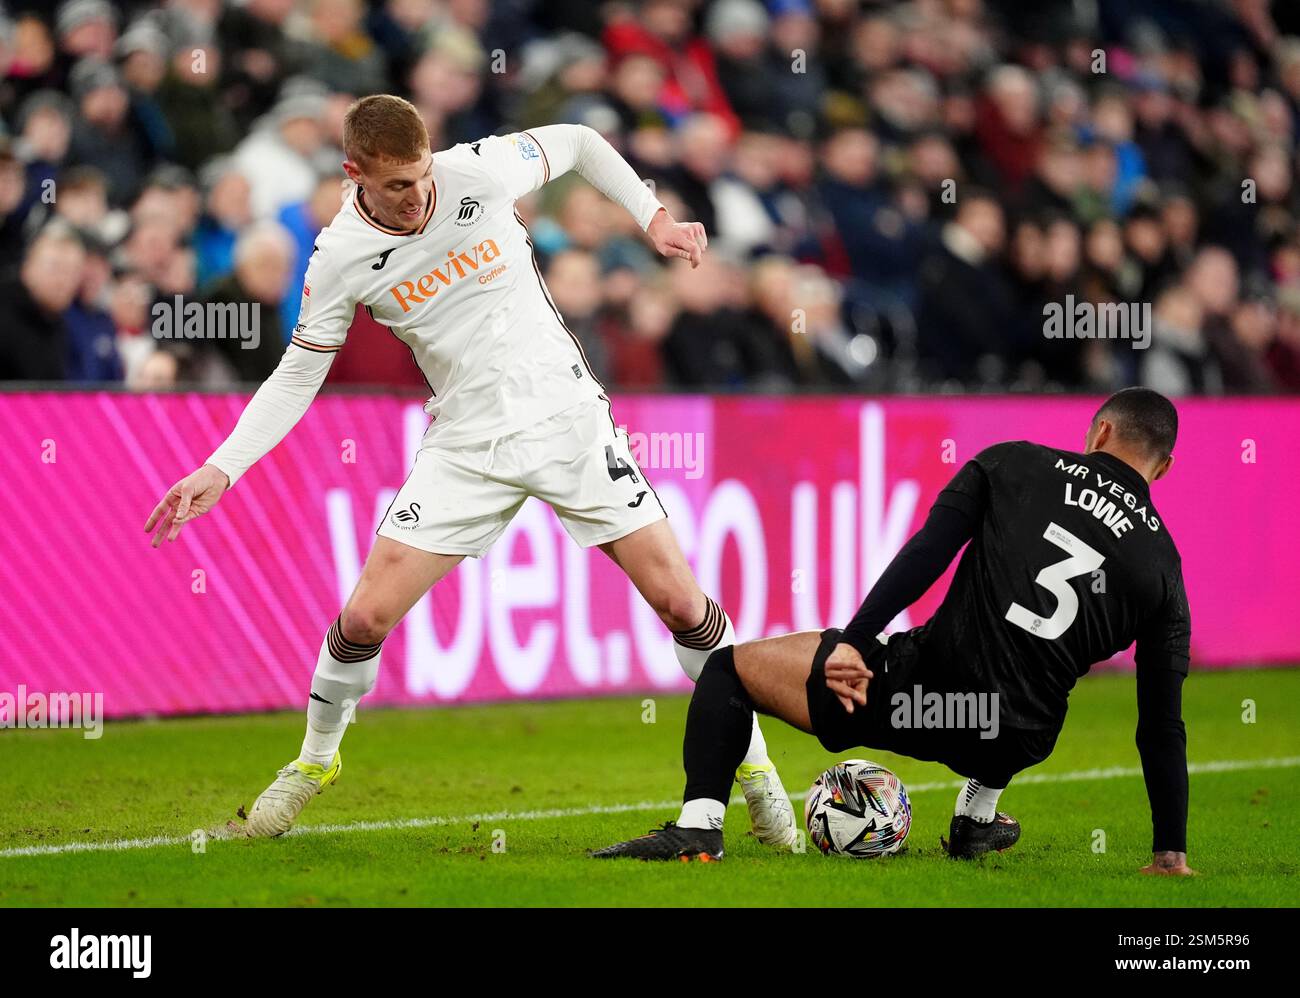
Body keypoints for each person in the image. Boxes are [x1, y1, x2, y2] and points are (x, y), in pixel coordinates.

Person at [144, 94, 797, 848]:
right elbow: (299, 374)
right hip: (466, 446)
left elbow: (583, 141)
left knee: (683, 605)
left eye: (422, 175)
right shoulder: (342, 256)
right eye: (396, 185)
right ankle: (313, 764)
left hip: (567, 422)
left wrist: (650, 216)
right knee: (363, 618)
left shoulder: (477, 170)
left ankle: (757, 774)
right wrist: (222, 467)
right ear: (354, 173)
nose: (418, 194)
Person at [592, 388, 1193, 876]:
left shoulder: (1016, 462)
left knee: (728, 668)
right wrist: (1170, 850)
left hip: (922, 700)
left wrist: (856, 639)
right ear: (1163, 467)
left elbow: (926, 554)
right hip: (1022, 735)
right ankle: (976, 820)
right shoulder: (1164, 566)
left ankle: (699, 826)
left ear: (1101, 433)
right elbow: (1161, 723)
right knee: (1028, 685)